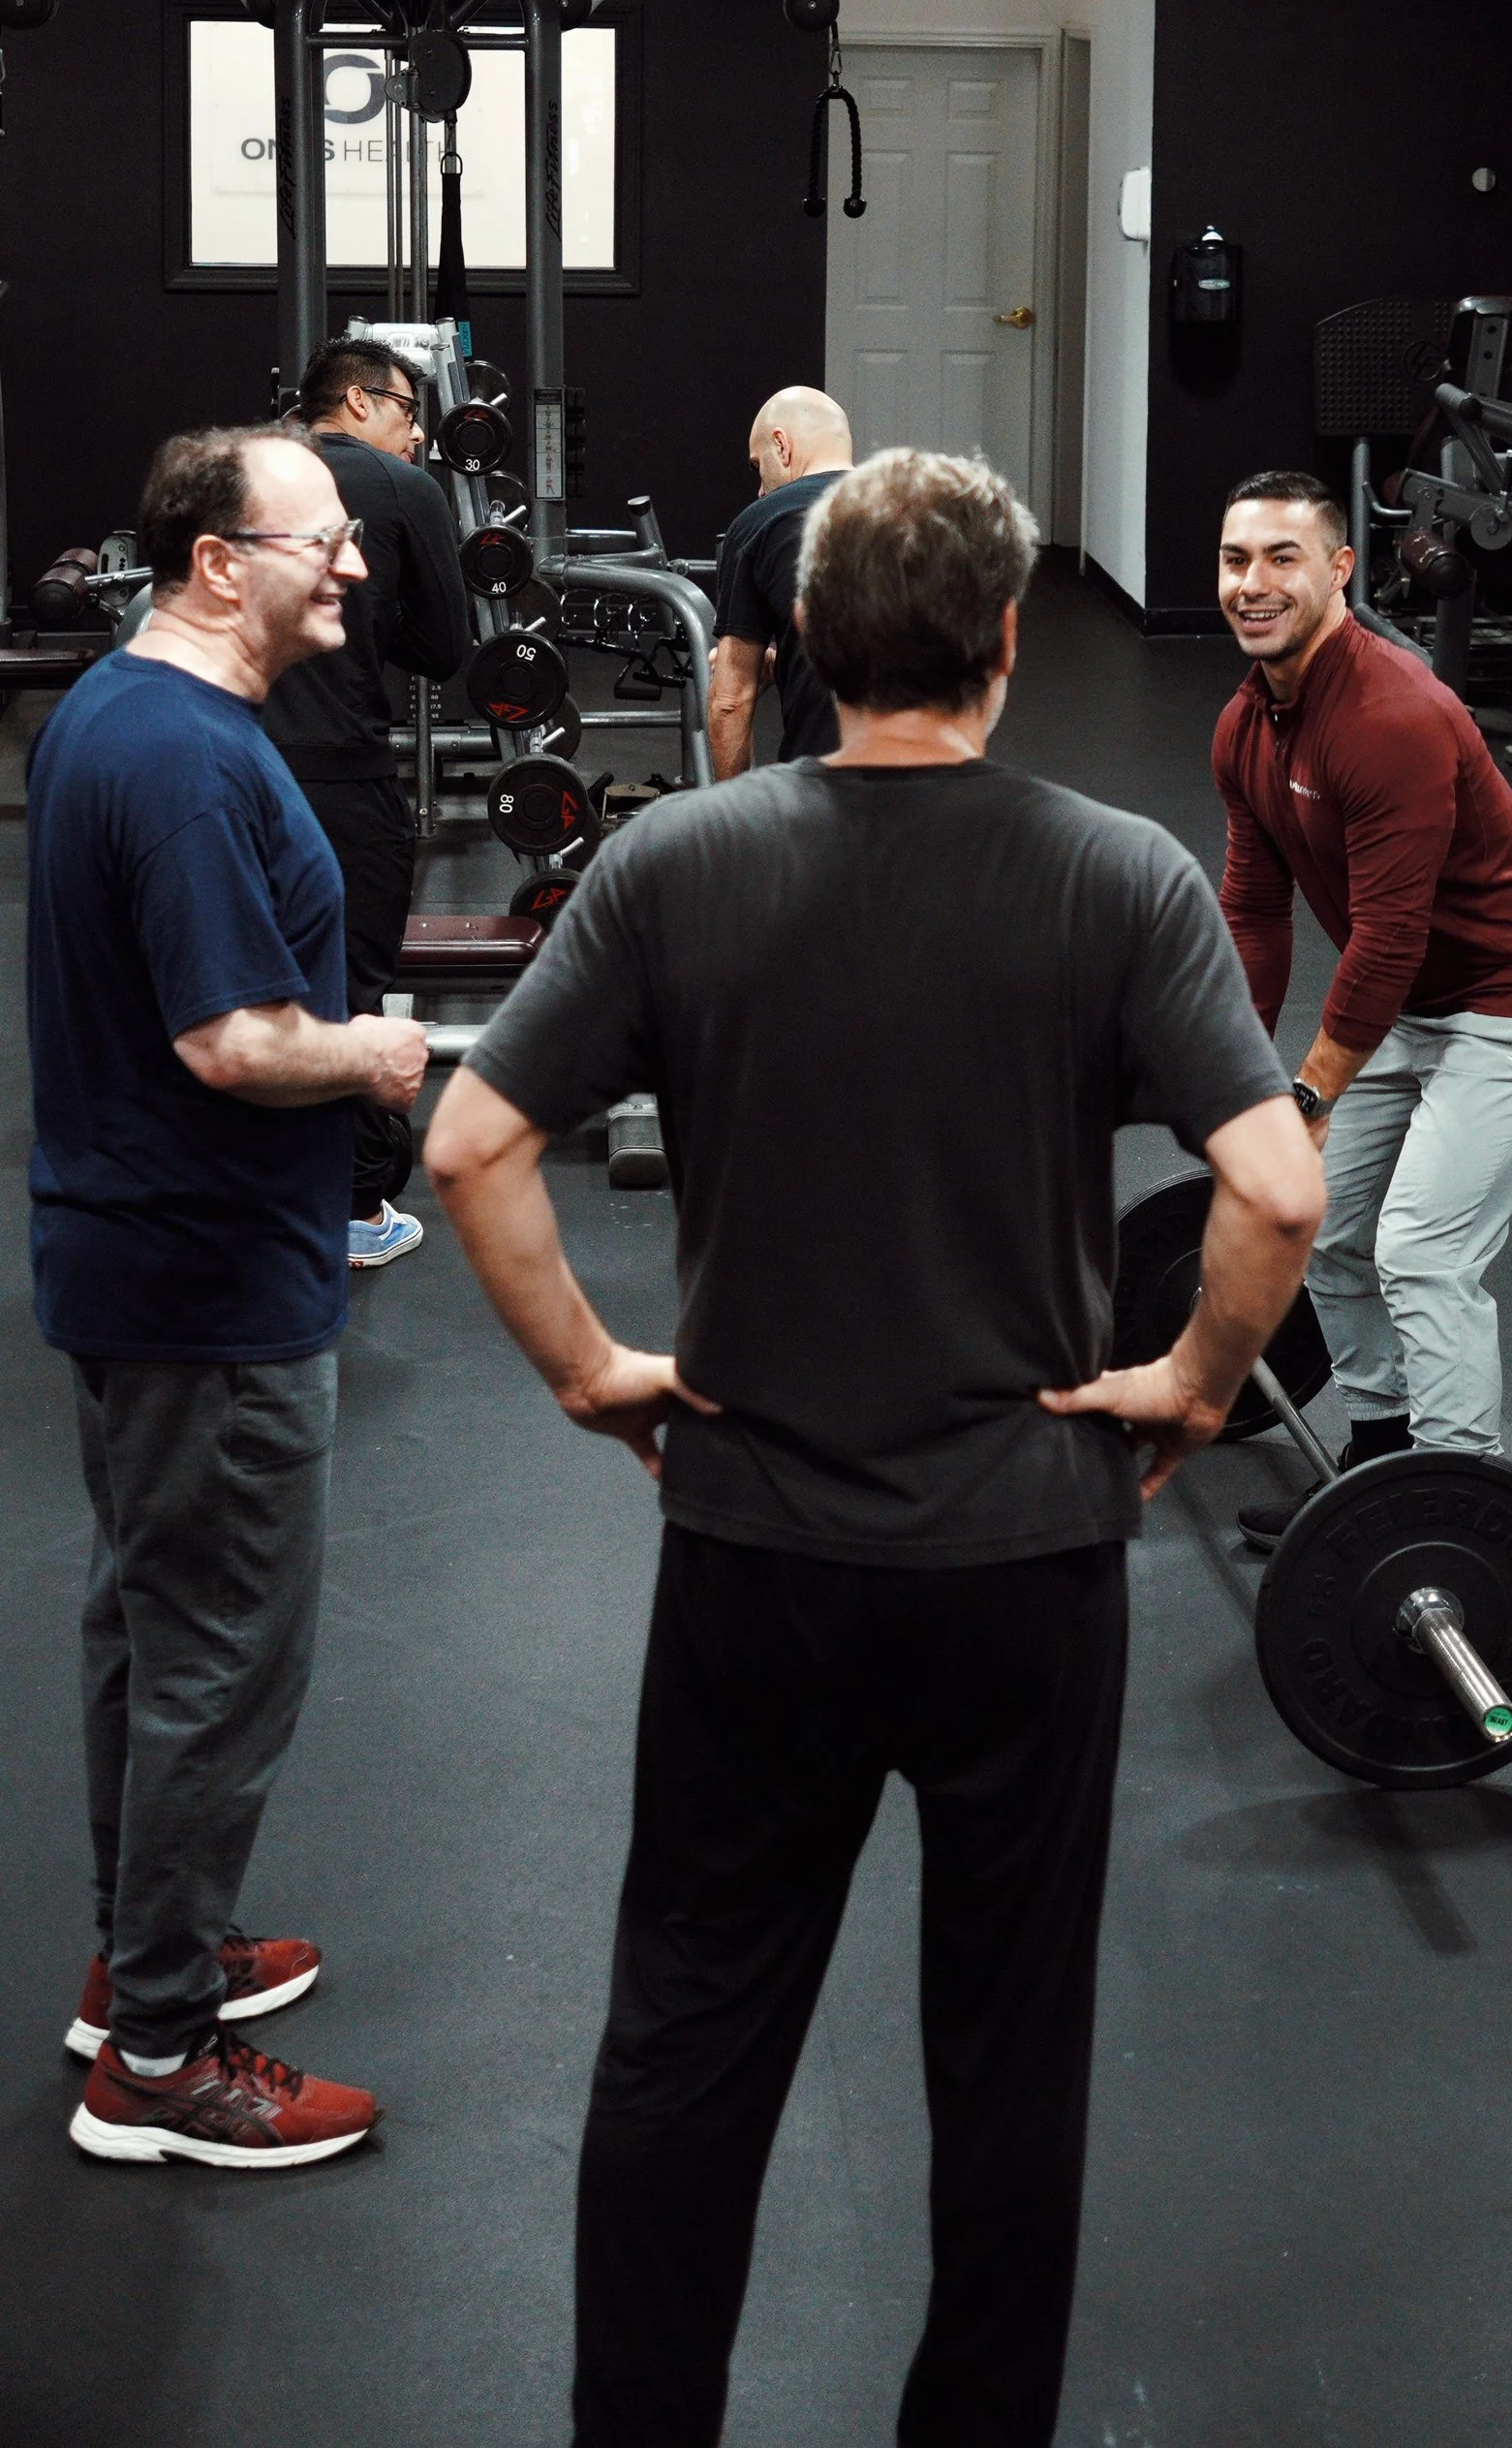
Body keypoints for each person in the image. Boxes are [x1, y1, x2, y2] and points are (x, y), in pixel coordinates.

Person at [424, 446, 1323, 2448]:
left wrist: (592, 1372)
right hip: (1022, 1563)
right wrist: (1185, 1382)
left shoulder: (679, 862)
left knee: (687, 2030)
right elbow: (1273, 1191)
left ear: (814, 644)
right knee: (1007, 2055)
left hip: (756, 1553)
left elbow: (473, 1143)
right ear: (1008, 638)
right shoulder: (1116, 873)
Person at [30, 423, 427, 2171]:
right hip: (206, 1281)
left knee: (150, 1633)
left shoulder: (125, 715)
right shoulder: (185, 760)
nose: (351, 564)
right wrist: (378, 1053)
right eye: (320, 540)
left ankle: (147, 1965)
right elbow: (234, 1040)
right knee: (216, 1664)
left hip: (146, 1260)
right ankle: (167, 2066)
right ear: (217, 563)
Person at [1211, 471, 1512, 1544]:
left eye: (1280, 559)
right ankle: (1380, 1453)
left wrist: (1305, 1094)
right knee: (1331, 1228)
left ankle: (1458, 1502)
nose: (1251, 584)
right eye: (1234, 561)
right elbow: (1254, 910)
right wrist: (1232, 1074)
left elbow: (1387, 941)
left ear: (1339, 569)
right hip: (1421, 1002)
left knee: (1423, 1251)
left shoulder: (1391, 717)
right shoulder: (1248, 724)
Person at [262, 332, 470, 1271]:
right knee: (347, 985)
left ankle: (249, 1189)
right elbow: (444, 648)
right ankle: (351, 1207)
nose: (418, 434)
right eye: (404, 411)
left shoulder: (240, 471)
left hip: (230, 768)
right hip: (342, 781)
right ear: (355, 402)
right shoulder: (399, 491)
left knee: (238, 973)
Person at [705, 382, 853, 778]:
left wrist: (736, 816)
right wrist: (789, 657)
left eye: (758, 466)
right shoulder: (922, 513)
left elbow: (730, 701)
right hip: (939, 792)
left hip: (823, 791)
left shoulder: (763, 522)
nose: (759, 490)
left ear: (781, 445)